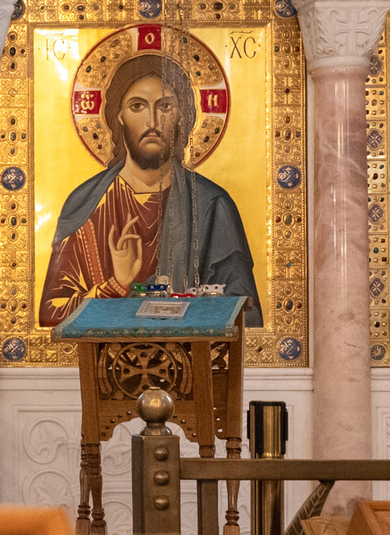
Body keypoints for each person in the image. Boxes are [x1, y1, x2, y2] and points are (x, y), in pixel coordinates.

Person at [39, 51, 258, 328]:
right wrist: (116, 285)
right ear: (118, 115)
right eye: (137, 106)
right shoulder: (86, 206)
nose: (153, 122)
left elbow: (247, 316)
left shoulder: (212, 205)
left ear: (181, 115)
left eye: (165, 106)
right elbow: (51, 314)